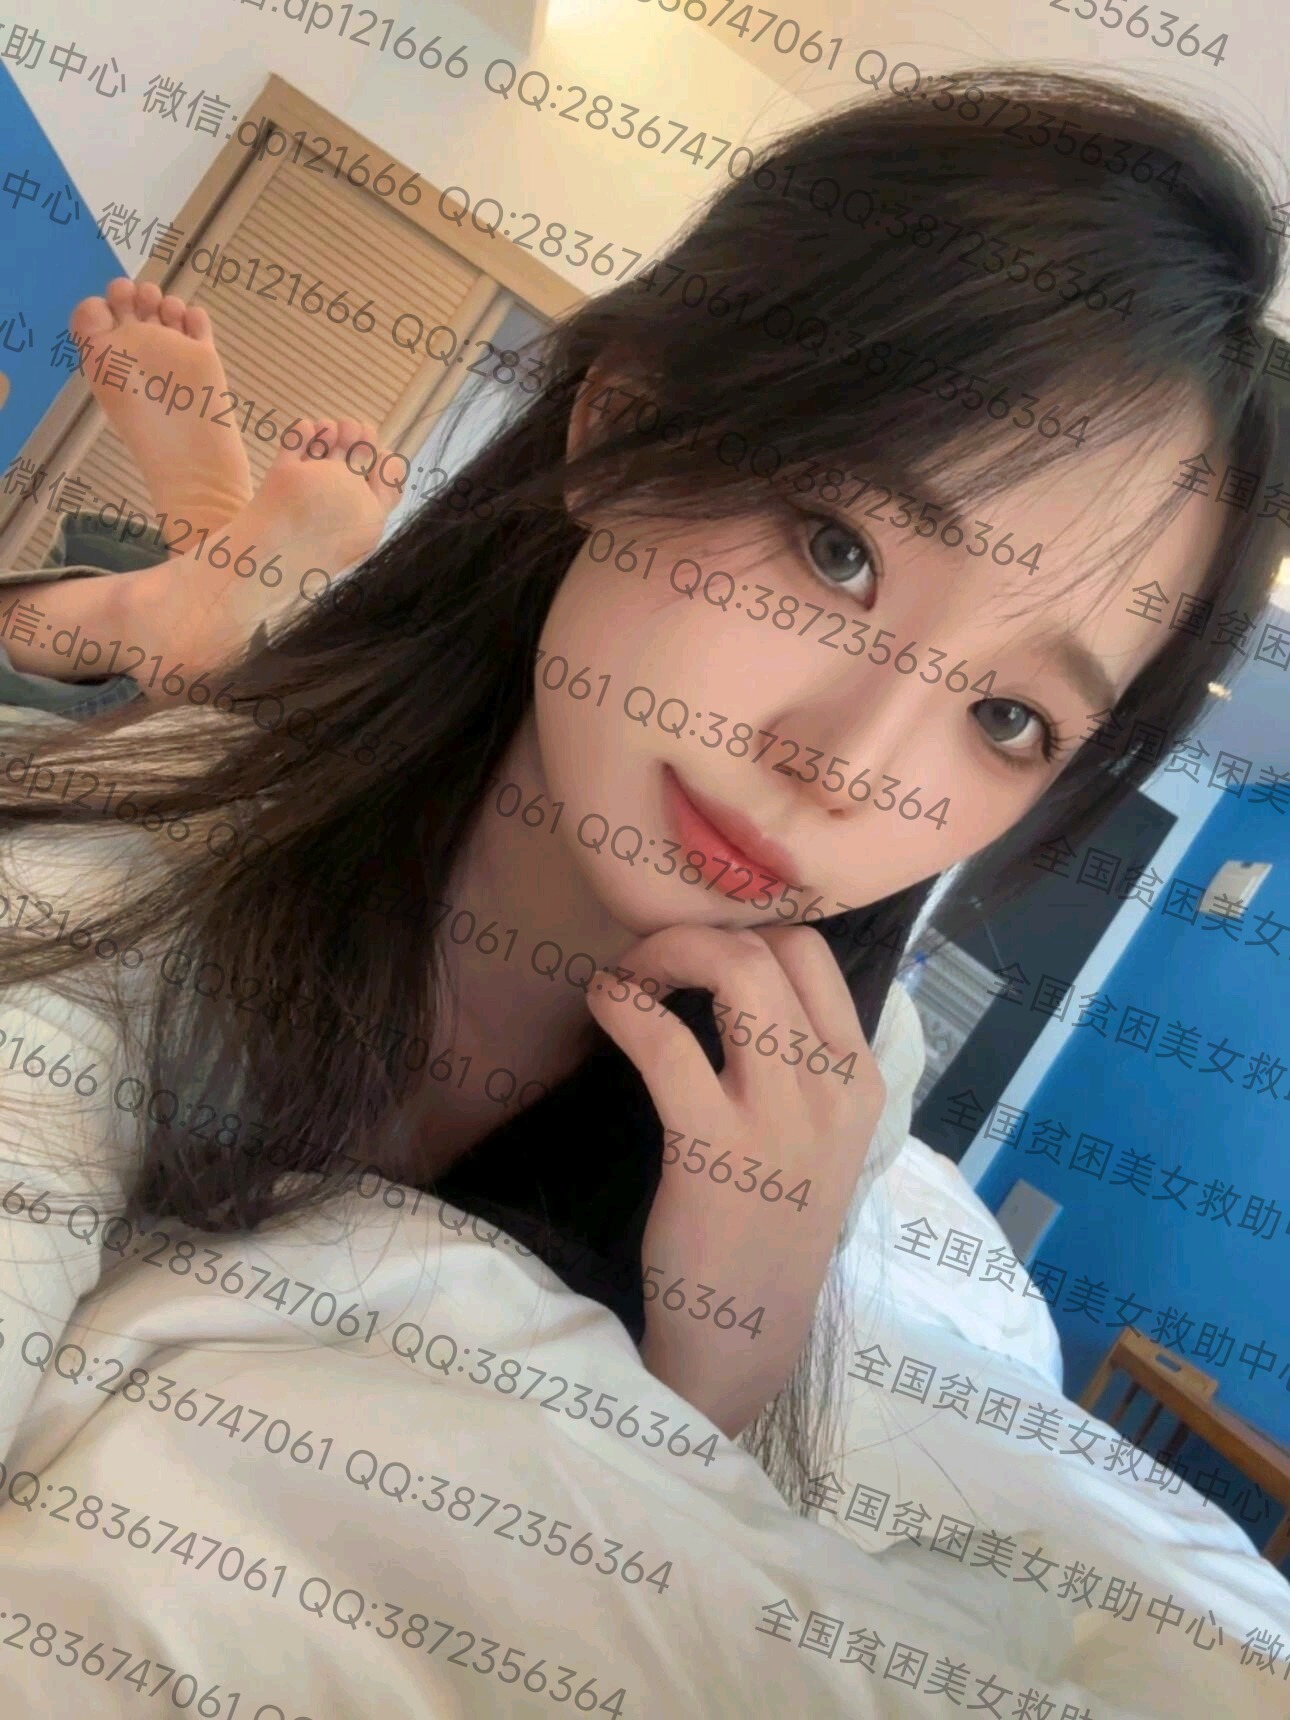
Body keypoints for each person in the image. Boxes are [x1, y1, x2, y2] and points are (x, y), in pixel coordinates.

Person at [0, 62, 1284, 1504]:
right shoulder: (101, 890)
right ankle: (196, 590)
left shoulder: (845, 1085)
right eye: (840, 551)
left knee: (197, 665)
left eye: (1005, 716)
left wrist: (735, 1344)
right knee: (110, 705)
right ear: (616, 432)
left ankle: (209, 583)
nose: (843, 768)